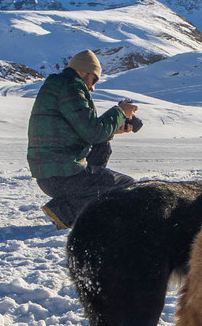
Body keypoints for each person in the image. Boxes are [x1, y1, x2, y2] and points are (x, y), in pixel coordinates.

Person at [28, 49, 141, 227]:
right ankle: (65, 210)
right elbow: (92, 132)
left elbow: (85, 131)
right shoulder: (71, 88)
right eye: (94, 79)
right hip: (61, 175)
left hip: (49, 172)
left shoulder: (59, 86)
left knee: (102, 145)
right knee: (127, 185)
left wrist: (113, 129)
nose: (93, 87)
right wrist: (119, 112)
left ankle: (80, 203)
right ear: (83, 72)